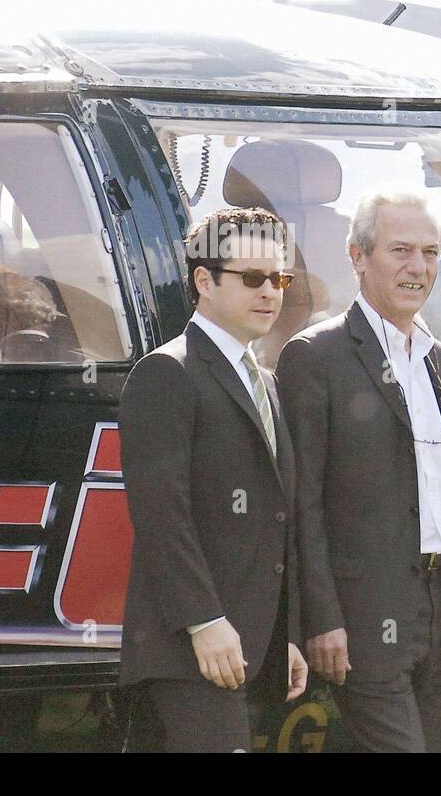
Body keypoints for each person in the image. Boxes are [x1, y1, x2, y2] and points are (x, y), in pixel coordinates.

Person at [277, 187, 441, 753]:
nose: (419, 267)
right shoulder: (315, 356)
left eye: (431, 252)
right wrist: (320, 618)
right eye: (401, 250)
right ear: (358, 255)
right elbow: (302, 504)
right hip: (366, 616)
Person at [118, 207, 307, 752]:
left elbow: (279, 516)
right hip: (188, 647)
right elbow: (161, 513)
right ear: (204, 280)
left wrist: (287, 635)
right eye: (253, 278)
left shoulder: (266, 383)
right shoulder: (166, 372)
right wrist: (204, 622)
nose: (270, 291)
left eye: (279, 278)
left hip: (245, 644)